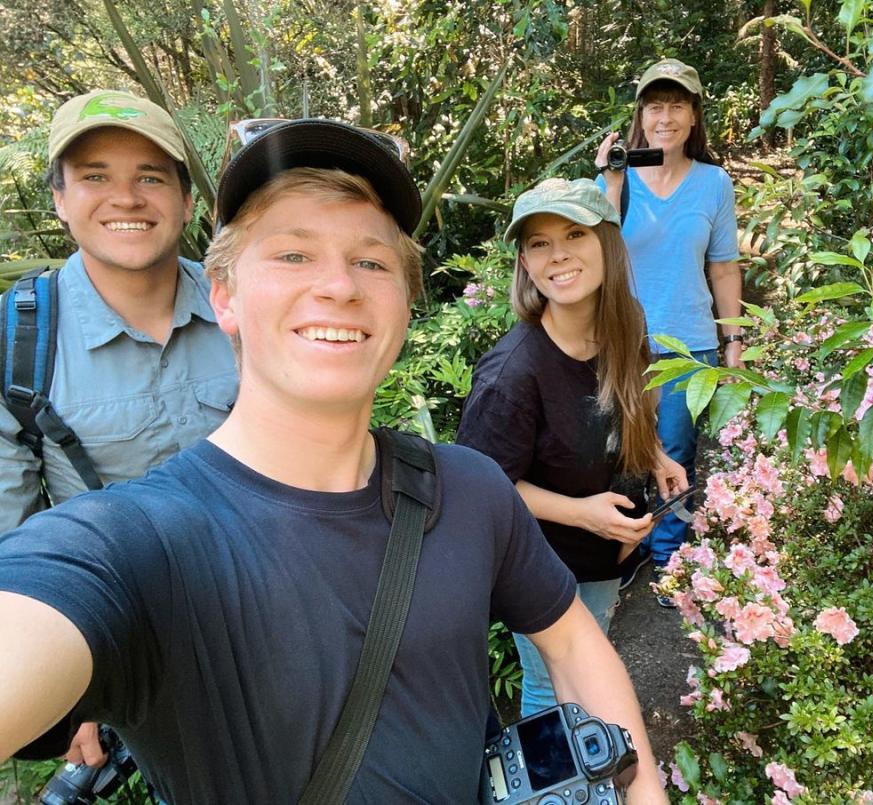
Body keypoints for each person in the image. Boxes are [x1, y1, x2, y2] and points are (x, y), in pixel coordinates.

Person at [0, 120, 668, 804]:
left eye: (372, 261)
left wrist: (642, 788)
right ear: (222, 294)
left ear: (406, 303)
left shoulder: (470, 491)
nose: (339, 285)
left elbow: (574, 646)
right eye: (292, 254)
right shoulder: (137, 544)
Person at [0, 90, 237, 767]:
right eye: (96, 176)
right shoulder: (22, 336)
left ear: (187, 201)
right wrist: (57, 686)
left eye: (151, 177)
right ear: (60, 200)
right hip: (126, 643)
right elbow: (11, 532)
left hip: (268, 615)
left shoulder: (247, 307)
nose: (126, 198)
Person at [456, 177, 686, 717]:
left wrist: (654, 455)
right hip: (544, 565)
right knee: (553, 690)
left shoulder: (626, 322)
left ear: (606, 241)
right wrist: (584, 515)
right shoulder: (512, 375)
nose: (558, 255)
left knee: (593, 656)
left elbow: (625, 404)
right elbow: (480, 488)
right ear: (525, 262)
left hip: (604, 554)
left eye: (575, 234)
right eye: (539, 243)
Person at [595, 58, 744, 602]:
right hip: (622, 341)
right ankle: (624, 547)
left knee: (676, 453)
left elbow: (724, 267)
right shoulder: (615, 177)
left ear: (694, 114)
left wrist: (734, 343)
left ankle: (670, 560)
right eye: (655, 105)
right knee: (617, 449)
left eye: (677, 104)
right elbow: (597, 252)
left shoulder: (714, 184)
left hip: (691, 342)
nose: (666, 116)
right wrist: (611, 182)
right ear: (640, 113)